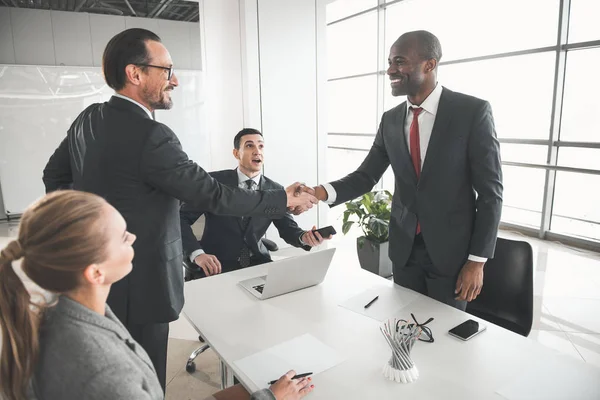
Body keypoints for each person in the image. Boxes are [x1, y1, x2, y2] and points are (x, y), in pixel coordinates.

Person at [41, 28, 316, 390]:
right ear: (135, 74)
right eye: (167, 69)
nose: (176, 79)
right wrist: (283, 198)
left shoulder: (88, 119)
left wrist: (90, 232)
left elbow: (54, 176)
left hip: (96, 280)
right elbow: (215, 195)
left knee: (113, 367)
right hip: (144, 283)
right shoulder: (152, 136)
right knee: (147, 380)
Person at [0, 190, 315, 400]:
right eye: (123, 237)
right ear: (95, 272)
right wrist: (268, 398)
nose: (134, 237)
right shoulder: (103, 368)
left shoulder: (67, 312)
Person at [312, 30, 503, 311]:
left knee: (443, 338)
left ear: (430, 64)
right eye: (390, 62)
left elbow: (491, 192)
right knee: (404, 326)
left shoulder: (471, 112)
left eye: (399, 61)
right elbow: (366, 175)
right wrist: (318, 193)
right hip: (404, 250)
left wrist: (477, 261)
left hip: (452, 254)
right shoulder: (390, 120)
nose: (390, 69)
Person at [181, 128, 330, 276]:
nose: (257, 151)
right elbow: (180, 219)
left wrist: (304, 238)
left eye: (261, 146)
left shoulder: (276, 190)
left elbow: (288, 228)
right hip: (217, 266)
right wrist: (197, 253)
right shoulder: (215, 183)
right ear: (236, 153)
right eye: (249, 145)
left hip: (259, 264)